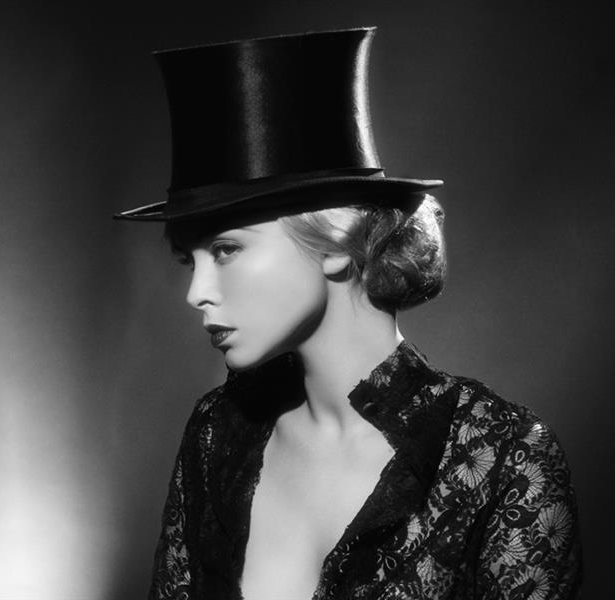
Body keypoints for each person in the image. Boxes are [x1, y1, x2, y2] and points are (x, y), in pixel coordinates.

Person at [115, 28, 582, 599]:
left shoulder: (502, 453)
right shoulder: (218, 430)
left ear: (336, 238)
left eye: (227, 249)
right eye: (190, 260)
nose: (197, 292)